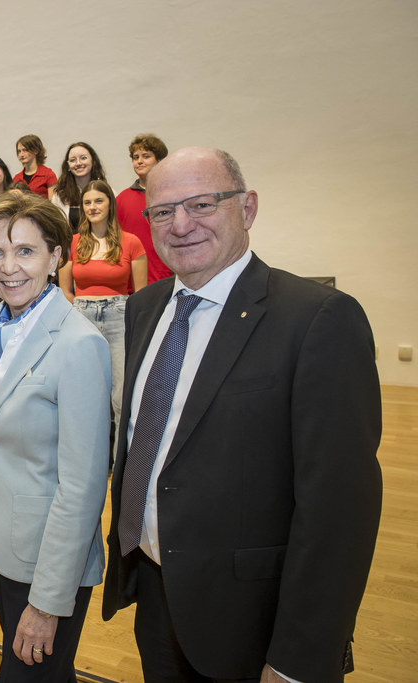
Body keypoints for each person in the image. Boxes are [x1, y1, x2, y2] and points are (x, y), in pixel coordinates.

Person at [102, 147, 382, 682]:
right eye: (163, 211)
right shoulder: (144, 308)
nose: (181, 224)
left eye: (202, 204)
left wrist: (301, 657)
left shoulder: (317, 319)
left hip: (254, 617)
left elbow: (339, 512)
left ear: (247, 209)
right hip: (159, 594)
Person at [0, 190, 111, 682]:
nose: (10, 267)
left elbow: (83, 486)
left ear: (56, 256)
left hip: (49, 565)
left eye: (26, 251)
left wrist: (48, 602)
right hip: (4, 548)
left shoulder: (78, 345)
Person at [57, 180, 146, 450]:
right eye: (87, 202)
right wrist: (78, 312)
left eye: (98, 201)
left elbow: (140, 293)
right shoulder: (73, 243)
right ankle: (87, 463)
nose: (92, 207)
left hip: (119, 317)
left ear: (110, 204)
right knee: (84, 396)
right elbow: (64, 289)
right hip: (82, 316)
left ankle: (121, 467)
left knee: (120, 397)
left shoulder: (131, 242)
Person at [115, 134, 172, 284]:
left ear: (159, 160)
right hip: (132, 282)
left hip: (168, 276)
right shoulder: (122, 199)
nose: (139, 161)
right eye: (135, 157)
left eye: (146, 156)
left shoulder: (172, 196)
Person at [50, 142, 107, 233]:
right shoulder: (58, 198)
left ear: (93, 161)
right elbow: (55, 230)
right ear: (68, 166)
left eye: (83, 158)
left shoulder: (107, 192)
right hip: (72, 246)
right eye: (73, 160)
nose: (78, 163)